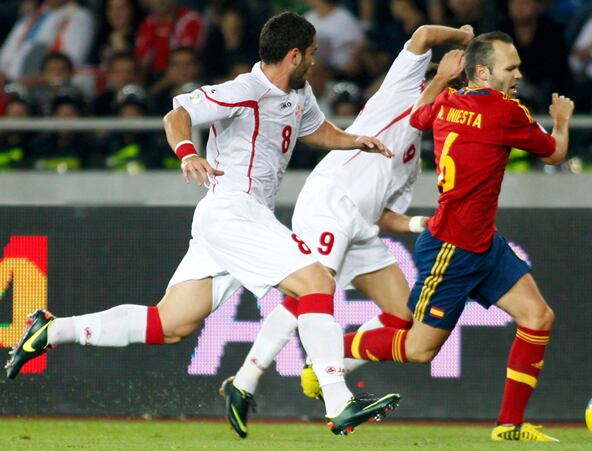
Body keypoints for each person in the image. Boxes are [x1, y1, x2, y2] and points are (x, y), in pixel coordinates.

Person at [5, 12, 399, 436]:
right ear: (294, 55)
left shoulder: (298, 93)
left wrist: (352, 140)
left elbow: (314, 129)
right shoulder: (244, 89)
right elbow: (177, 114)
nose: (316, 62)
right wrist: (189, 153)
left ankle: (52, 328)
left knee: (169, 324)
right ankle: (338, 400)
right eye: (313, 55)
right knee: (318, 282)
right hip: (233, 210)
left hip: (240, 219)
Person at [317, 31, 574, 442]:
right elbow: (556, 153)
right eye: (511, 68)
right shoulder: (507, 112)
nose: (518, 74)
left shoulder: (446, 103)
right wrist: (561, 120)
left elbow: (417, 117)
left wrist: (439, 80)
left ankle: (509, 425)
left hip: (482, 241)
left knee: (538, 317)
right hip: (452, 247)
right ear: (484, 72)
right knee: (419, 349)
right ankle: (329, 353)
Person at [220, 24, 474, 439]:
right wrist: (463, 40)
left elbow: (384, 216)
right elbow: (425, 33)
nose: (453, 97)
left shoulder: (413, 160)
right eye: (451, 87)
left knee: (404, 316)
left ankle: (325, 364)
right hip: (329, 202)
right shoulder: (403, 87)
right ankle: (247, 382)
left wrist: (416, 224)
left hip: (359, 227)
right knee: (312, 292)